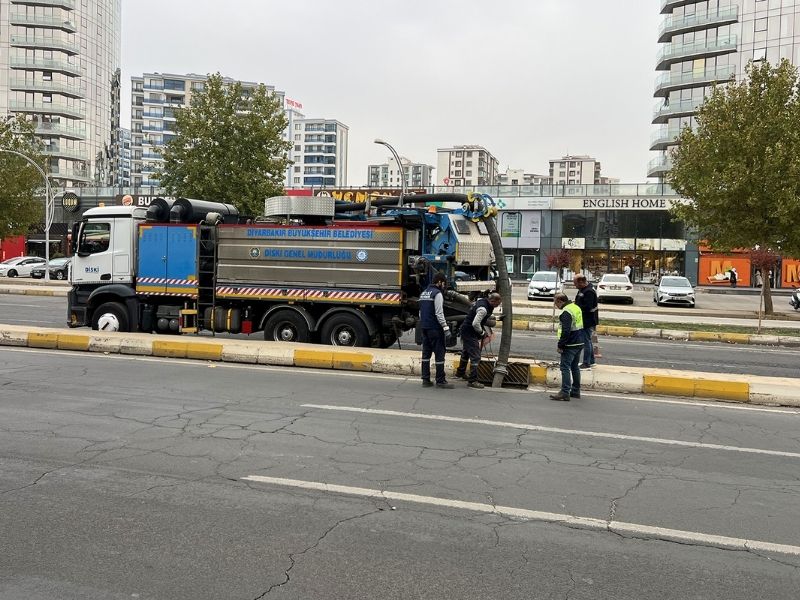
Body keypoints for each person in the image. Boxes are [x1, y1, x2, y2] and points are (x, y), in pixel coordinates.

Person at [455, 292, 503, 389]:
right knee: (475, 356)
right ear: (493, 301)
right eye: (497, 304)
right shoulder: (483, 309)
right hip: (469, 331)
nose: (498, 306)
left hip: (466, 329)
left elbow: (482, 317)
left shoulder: (483, 302)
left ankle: (460, 373)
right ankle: (472, 381)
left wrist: (497, 318)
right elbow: (475, 323)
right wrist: (482, 333)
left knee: (466, 352)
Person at [419, 272, 454, 389]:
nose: (444, 286)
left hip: (424, 327)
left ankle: (425, 379)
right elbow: (439, 313)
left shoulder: (424, 293)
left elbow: (420, 312)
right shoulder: (437, 294)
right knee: (439, 354)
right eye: (444, 283)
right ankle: (440, 381)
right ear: (439, 282)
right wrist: (446, 328)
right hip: (435, 328)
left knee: (426, 354)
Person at [550, 293, 585, 402]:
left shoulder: (566, 313)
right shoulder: (575, 307)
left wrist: (561, 345)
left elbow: (566, 331)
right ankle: (575, 391)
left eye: (555, 302)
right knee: (575, 367)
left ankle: (565, 392)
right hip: (580, 342)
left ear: (560, 301)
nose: (555, 305)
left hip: (570, 344)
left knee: (565, 367)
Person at [573, 274, 598, 370]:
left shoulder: (589, 291)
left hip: (587, 320)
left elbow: (588, 307)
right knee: (588, 341)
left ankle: (586, 363)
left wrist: (576, 307)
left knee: (586, 341)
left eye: (576, 284)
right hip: (584, 319)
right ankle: (591, 361)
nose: (575, 286)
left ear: (581, 282)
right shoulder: (583, 290)